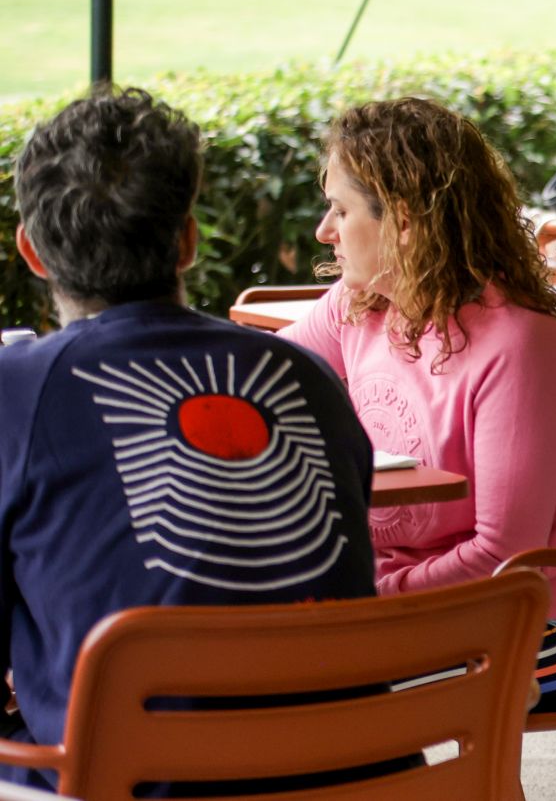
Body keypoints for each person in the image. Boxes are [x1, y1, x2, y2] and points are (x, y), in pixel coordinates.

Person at [0, 87, 377, 791]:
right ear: (188, 242)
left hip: (132, 780)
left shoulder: (15, 390)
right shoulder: (309, 379)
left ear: (32, 252)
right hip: (350, 775)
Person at [281, 97, 556, 712]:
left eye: (341, 210)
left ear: (403, 221)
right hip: (407, 610)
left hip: (533, 629)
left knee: (298, 693)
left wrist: (364, 595)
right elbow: (261, 378)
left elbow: (505, 557)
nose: (325, 231)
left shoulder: (518, 346)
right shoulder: (361, 305)